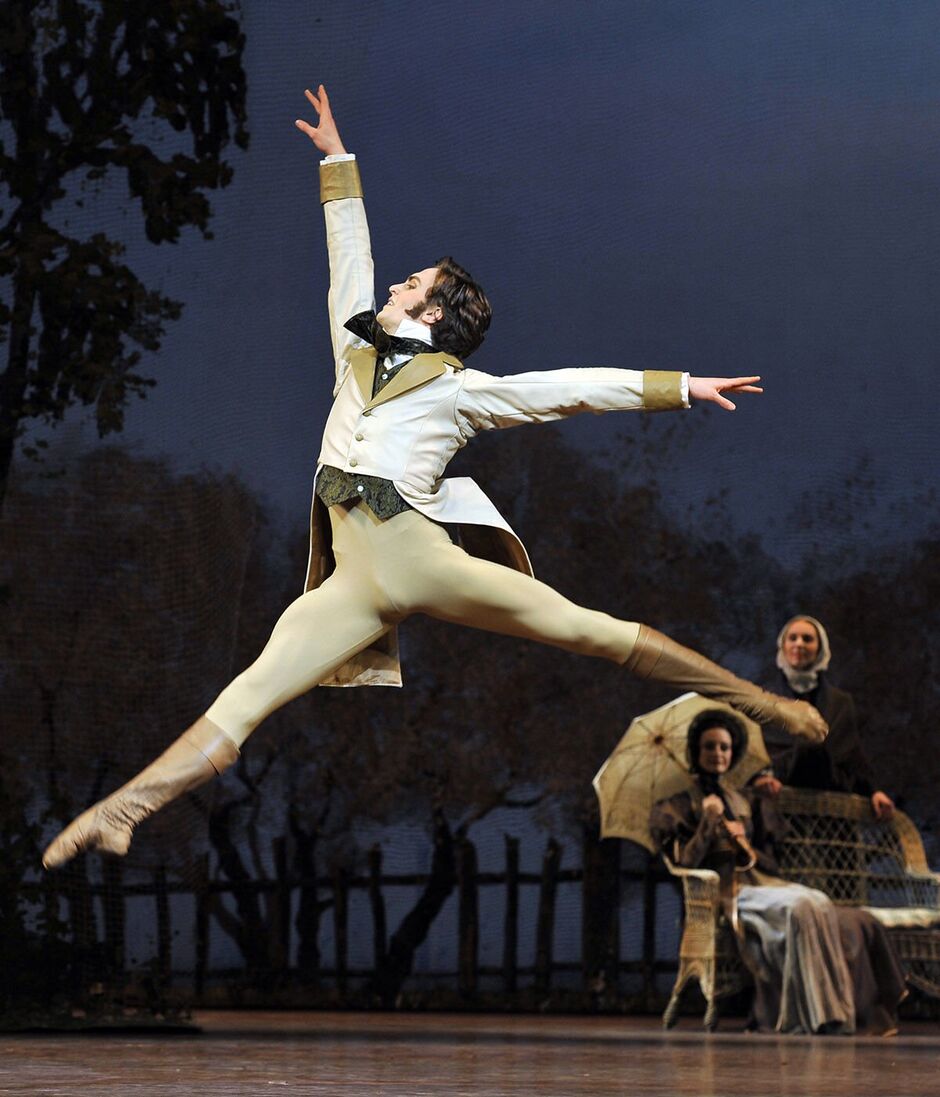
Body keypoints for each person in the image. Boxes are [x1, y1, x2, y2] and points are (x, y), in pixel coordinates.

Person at [42, 86, 827, 871]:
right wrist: (338, 164)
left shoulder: (458, 390)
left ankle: (761, 702)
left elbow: (568, 389)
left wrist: (681, 385)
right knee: (246, 695)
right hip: (350, 586)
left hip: (422, 555)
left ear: (434, 314)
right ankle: (126, 809)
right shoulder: (354, 354)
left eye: (410, 283)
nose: (393, 287)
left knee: (589, 629)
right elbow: (347, 268)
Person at [650, 710, 905, 1034]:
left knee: (816, 899)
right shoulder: (678, 805)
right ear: (696, 751)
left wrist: (745, 843)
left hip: (761, 885)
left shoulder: (744, 801)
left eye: (724, 748)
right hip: (726, 894)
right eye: (709, 747)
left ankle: (836, 1013)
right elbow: (684, 863)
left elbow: (771, 863)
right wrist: (707, 822)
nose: (717, 754)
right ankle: (807, 1016)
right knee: (798, 907)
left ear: (733, 752)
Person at [752, 615, 895, 820]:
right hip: (779, 803)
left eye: (807, 639)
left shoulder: (840, 702)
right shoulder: (763, 698)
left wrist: (874, 791)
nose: (799, 643)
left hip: (832, 805)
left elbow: (851, 755)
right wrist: (760, 777)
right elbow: (754, 751)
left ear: (820, 648)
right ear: (782, 645)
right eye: (792, 638)